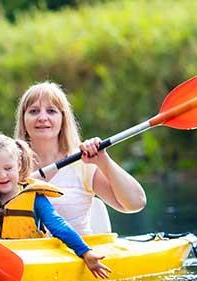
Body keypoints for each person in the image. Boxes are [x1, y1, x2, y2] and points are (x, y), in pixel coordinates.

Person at [0, 133, 110, 278]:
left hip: (31, 261)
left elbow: (58, 226)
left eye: (8, 168)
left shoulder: (35, 198)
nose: (2, 175)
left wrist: (85, 252)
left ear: (19, 164)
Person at [14, 82, 146, 235]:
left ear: (63, 119)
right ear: (23, 119)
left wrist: (104, 161)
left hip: (79, 254)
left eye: (51, 111)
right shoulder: (7, 167)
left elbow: (135, 203)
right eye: (34, 111)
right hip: (27, 254)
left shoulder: (82, 164)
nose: (42, 117)